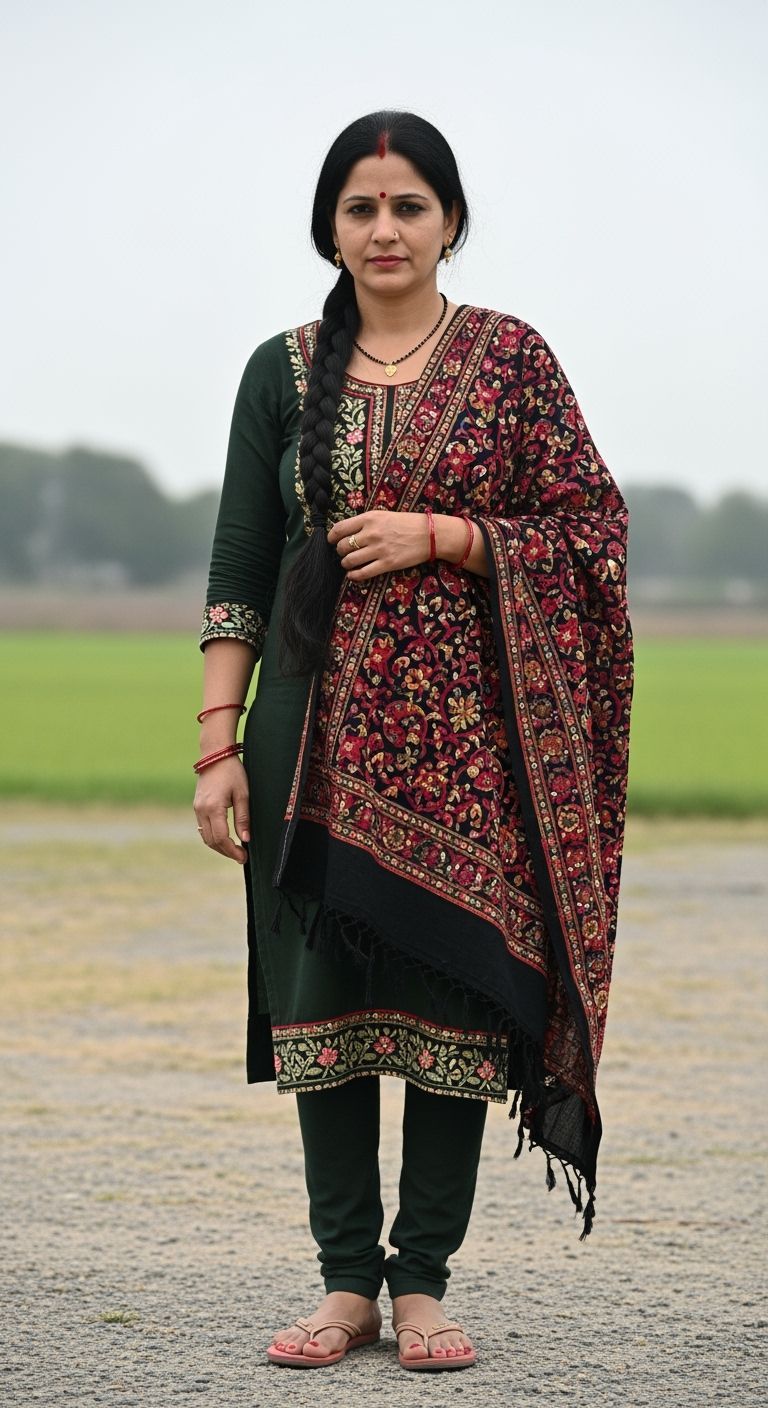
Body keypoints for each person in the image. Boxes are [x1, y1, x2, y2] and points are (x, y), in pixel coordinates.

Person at [193, 109, 634, 1374]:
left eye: (409, 207)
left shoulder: (512, 362)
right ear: (329, 227)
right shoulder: (279, 371)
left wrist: (450, 535)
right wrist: (219, 740)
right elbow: (239, 565)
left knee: (455, 995)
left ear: (449, 221)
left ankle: (425, 1281)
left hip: (467, 751)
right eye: (359, 209)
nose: (384, 230)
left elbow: (591, 532)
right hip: (306, 748)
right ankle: (345, 1285)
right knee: (321, 1006)